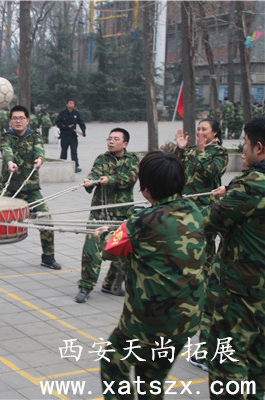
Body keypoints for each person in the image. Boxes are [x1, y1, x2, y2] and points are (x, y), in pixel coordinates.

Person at [97, 151, 205, 398]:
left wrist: (102, 233)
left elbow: (110, 248)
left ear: (145, 189)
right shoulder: (194, 210)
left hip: (148, 322)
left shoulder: (142, 220)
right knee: (151, 378)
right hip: (185, 321)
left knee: (113, 361)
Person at [203, 116, 265, 399]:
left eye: (247, 144)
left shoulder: (252, 184)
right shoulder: (247, 187)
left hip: (244, 294)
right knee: (258, 364)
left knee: (227, 362)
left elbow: (209, 222)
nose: (243, 150)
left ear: (259, 148)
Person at [0, 105, 62, 271]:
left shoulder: (35, 136)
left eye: (21, 118)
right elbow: (6, 150)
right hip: (9, 189)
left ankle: (48, 257)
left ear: (27, 120)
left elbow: (40, 150)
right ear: (10, 121)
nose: (18, 121)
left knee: (46, 220)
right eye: (15, 118)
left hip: (30, 189)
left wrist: (39, 159)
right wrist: (9, 162)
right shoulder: (5, 137)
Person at [174, 118, 228, 371]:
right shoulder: (196, 151)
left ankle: (198, 286)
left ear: (215, 133)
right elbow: (180, 172)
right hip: (188, 209)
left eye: (204, 130)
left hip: (205, 213)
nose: (199, 133)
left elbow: (208, 171)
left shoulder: (218, 154)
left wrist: (200, 151)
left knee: (203, 256)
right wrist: (182, 149)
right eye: (197, 130)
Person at [74, 128, 139, 303]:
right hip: (99, 212)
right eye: (109, 138)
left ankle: (112, 284)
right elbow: (95, 173)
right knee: (91, 249)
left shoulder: (132, 160)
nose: (111, 142)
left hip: (121, 214)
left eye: (115, 139)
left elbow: (130, 177)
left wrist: (111, 180)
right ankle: (85, 286)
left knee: (121, 251)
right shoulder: (102, 159)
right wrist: (89, 182)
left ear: (124, 143)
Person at [55, 98, 86, 173]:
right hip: (64, 135)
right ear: (67, 104)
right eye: (70, 103)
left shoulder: (76, 113)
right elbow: (57, 122)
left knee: (74, 151)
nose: (71, 105)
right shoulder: (62, 113)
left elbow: (81, 122)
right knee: (64, 151)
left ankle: (75, 166)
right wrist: (64, 126)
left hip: (73, 135)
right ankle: (62, 166)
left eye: (73, 103)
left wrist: (83, 131)